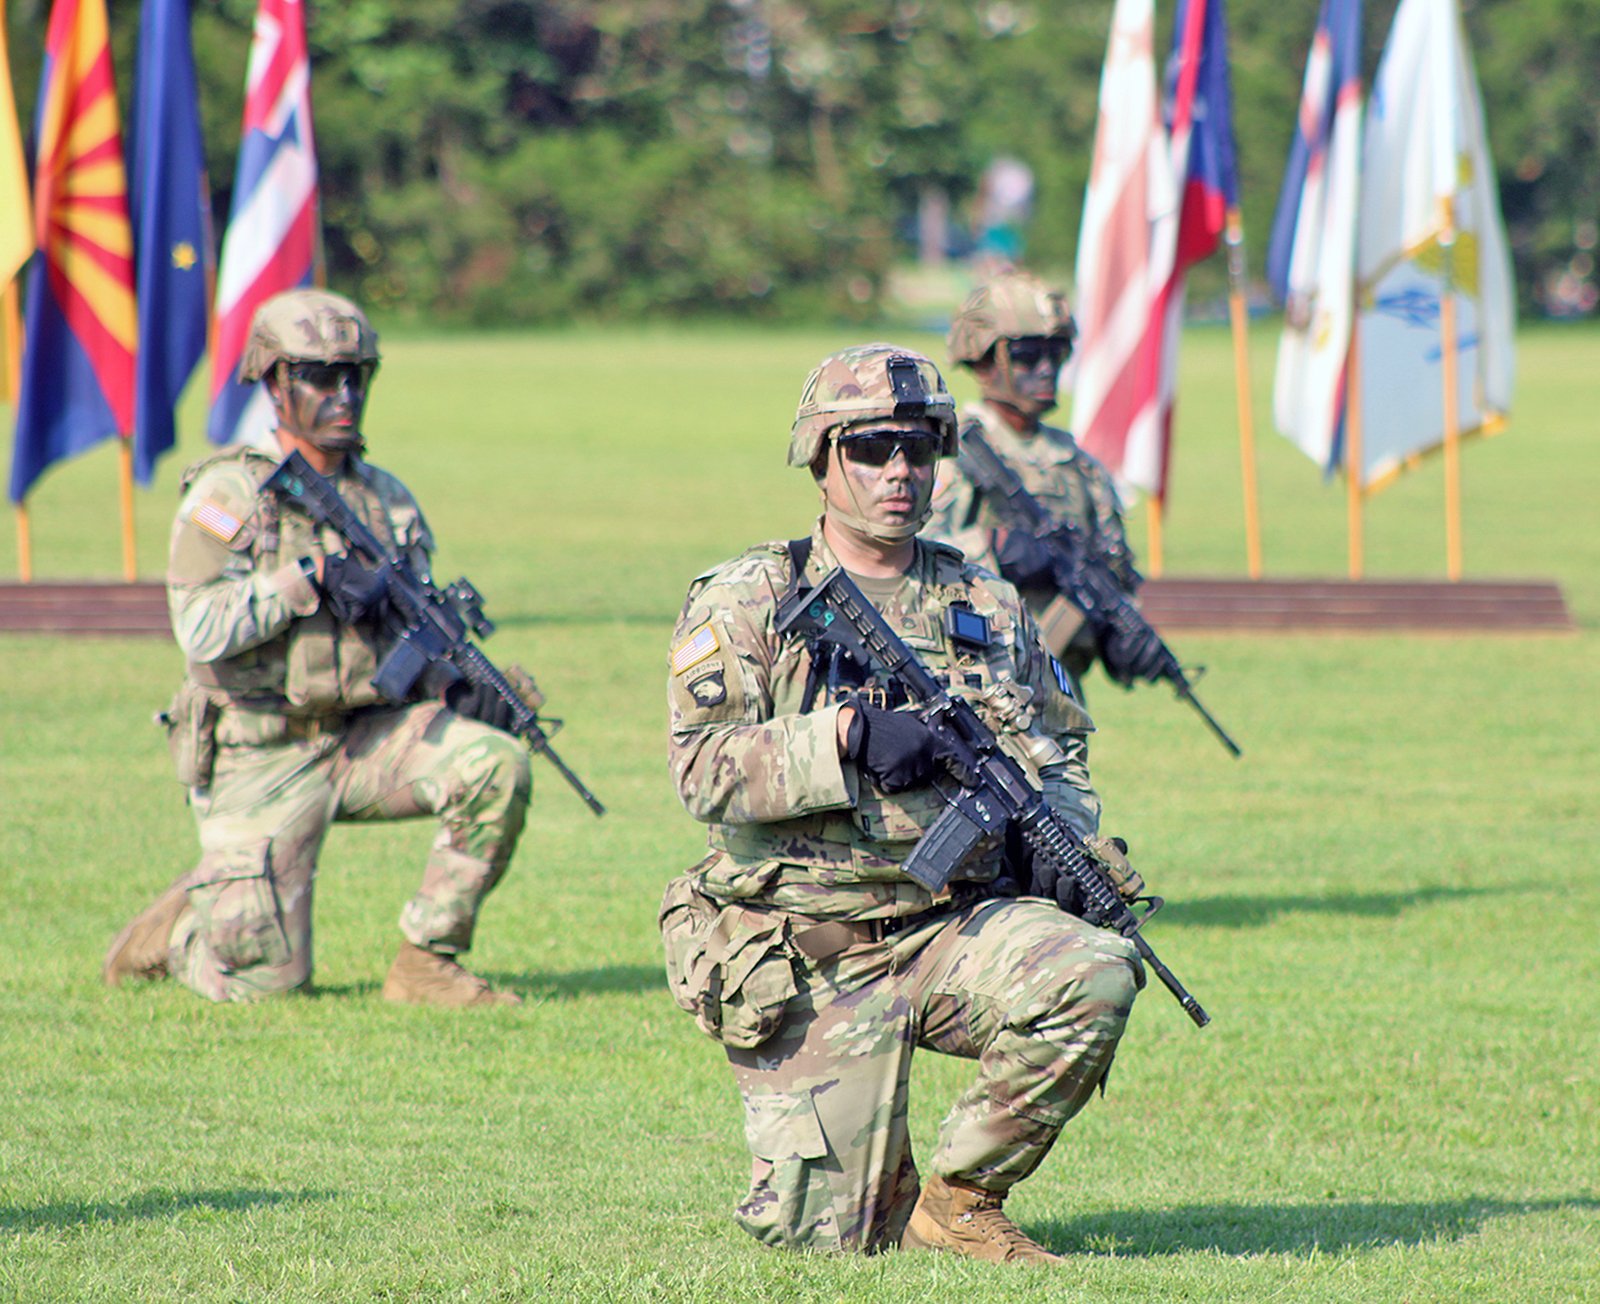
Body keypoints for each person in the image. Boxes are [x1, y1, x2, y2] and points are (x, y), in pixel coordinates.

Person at [661, 343, 1145, 1263]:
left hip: (945, 932)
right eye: (874, 449)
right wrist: (839, 738)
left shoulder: (985, 601)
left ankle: (961, 1200)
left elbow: (1060, 748)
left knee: (1093, 971)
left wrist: (1060, 842)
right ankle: (878, 1188)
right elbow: (701, 771)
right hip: (809, 947)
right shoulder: (750, 597)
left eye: (920, 451)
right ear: (822, 456)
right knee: (827, 1244)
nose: (900, 472)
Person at [102, 289, 535, 1007]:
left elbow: (407, 628)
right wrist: (306, 578)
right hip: (259, 749)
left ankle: (427, 960)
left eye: (357, 376)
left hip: (363, 736)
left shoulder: (386, 499)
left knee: (495, 764)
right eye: (321, 377)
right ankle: (185, 925)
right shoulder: (231, 492)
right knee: (263, 987)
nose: (345, 394)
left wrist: (462, 686)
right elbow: (200, 627)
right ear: (275, 383)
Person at [929, 270, 1149, 697]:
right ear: (984, 361)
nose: (1047, 370)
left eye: (1058, 353)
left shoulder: (1079, 466)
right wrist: (992, 546)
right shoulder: (957, 452)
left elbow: (1114, 567)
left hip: (1061, 690)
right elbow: (908, 557)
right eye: (1029, 356)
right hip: (974, 685)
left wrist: (1126, 635)